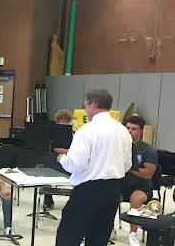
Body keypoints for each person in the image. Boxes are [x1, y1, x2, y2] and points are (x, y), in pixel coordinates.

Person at [55, 87, 132, 246]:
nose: (85, 109)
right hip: (113, 190)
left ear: (93, 104)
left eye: (85, 106)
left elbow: (76, 165)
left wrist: (63, 158)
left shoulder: (87, 130)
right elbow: (126, 165)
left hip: (88, 191)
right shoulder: (123, 131)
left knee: (68, 236)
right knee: (99, 238)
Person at [122, 115, 158, 246]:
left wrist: (128, 166)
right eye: (127, 128)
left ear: (141, 131)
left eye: (134, 129)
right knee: (110, 195)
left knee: (136, 198)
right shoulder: (120, 146)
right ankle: (108, 229)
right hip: (122, 183)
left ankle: (133, 234)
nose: (129, 131)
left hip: (142, 186)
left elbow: (148, 174)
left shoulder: (148, 150)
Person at [44, 109, 74, 210]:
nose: (64, 123)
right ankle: (47, 198)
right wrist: (68, 152)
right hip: (57, 159)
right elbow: (55, 149)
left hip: (70, 161)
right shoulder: (54, 133)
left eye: (66, 121)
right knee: (47, 163)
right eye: (62, 121)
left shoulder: (73, 134)